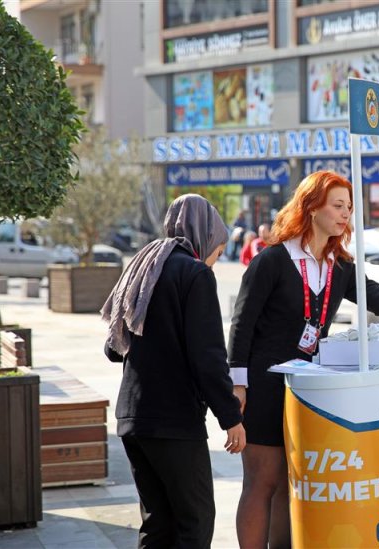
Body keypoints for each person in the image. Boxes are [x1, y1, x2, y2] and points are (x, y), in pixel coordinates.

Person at [227, 170, 379, 548]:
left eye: (349, 208)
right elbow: (241, 325)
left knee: (293, 481)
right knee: (262, 481)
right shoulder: (272, 260)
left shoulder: (339, 266)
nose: (345, 214)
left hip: (307, 388)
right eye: (337, 205)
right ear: (311, 207)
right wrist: (238, 386)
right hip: (263, 385)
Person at [101, 194, 246, 548]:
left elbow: (112, 347)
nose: (214, 261)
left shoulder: (142, 265)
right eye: (216, 250)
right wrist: (231, 417)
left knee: (157, 524)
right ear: (204, 236)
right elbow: (208, 356)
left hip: (132, 418)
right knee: (194, 523)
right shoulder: (194, 274)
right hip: (173, 422)